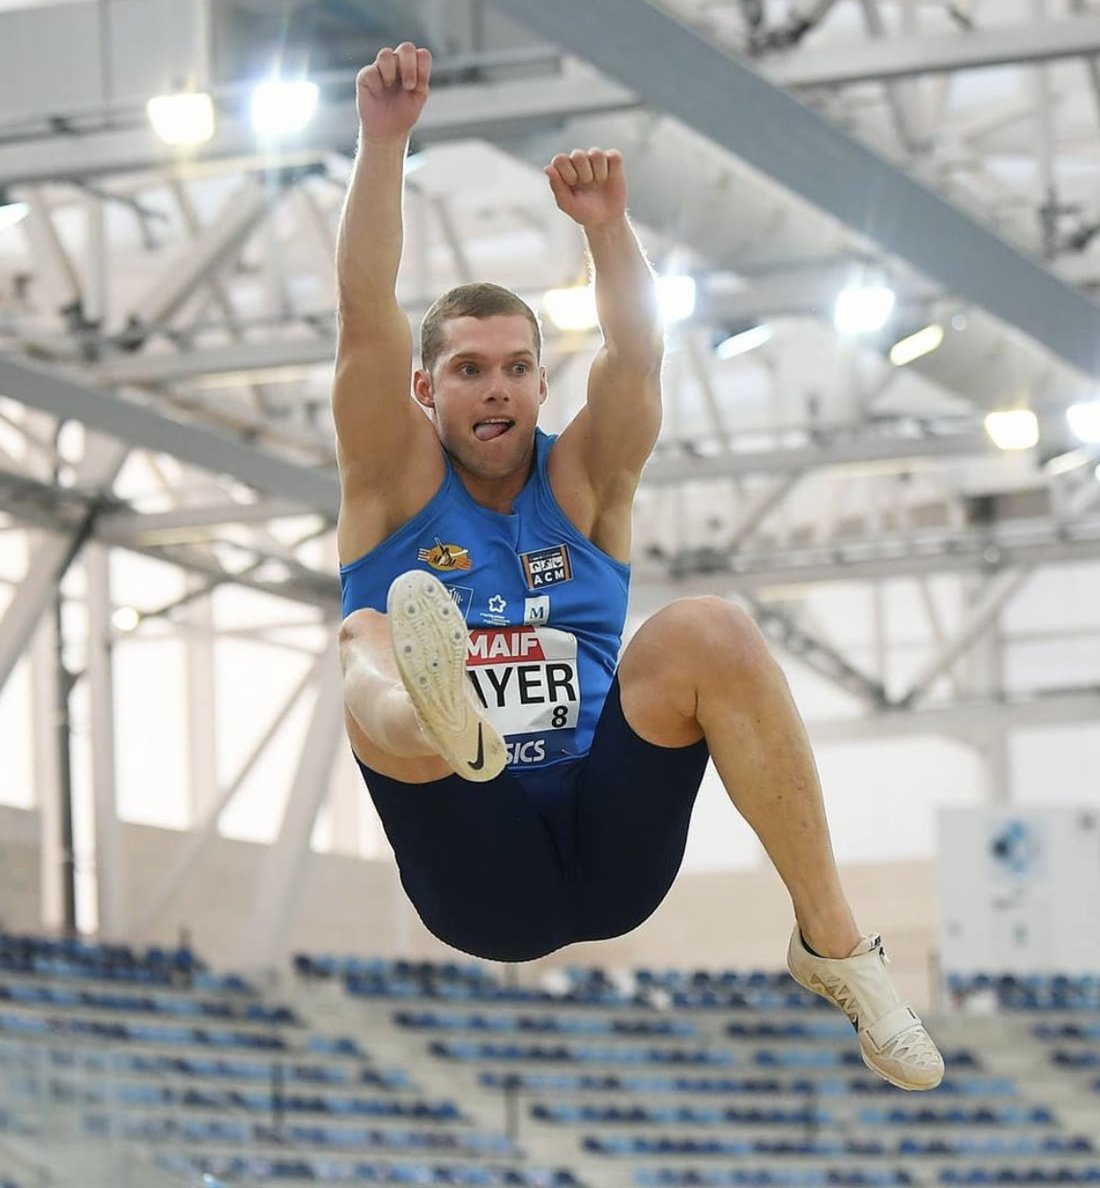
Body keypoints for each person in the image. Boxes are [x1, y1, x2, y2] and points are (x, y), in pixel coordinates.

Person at [334, 42, 944, 1092]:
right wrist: (382, 143)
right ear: (427, 390)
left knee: (710, 627)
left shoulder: (581, 484)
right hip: (479, 873)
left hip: (608, 843)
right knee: (366, 636)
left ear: (542, 384)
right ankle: (433, 714)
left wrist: (608, 231)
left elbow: (636, 356)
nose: (497, 389)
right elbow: (363, 319)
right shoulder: (392, 482)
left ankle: (837, 948)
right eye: (469, 370)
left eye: (517, 368)